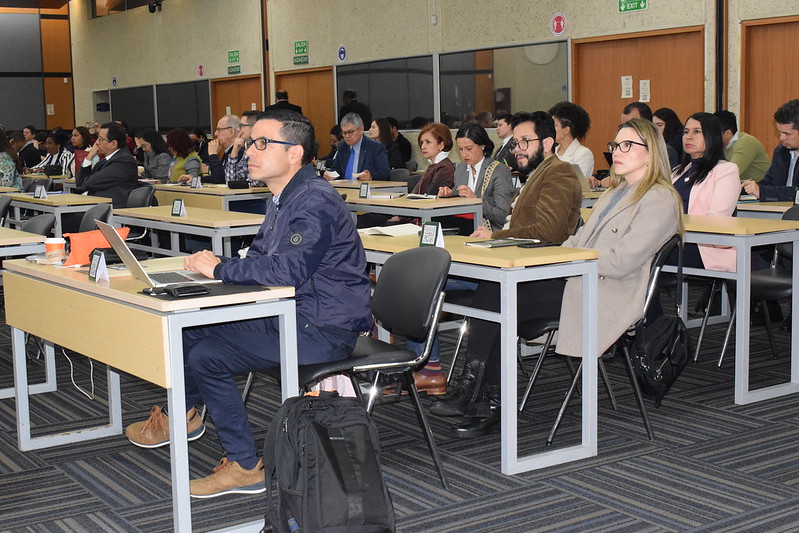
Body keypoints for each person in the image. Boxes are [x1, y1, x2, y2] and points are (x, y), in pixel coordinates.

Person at [125, 109, 372, 499]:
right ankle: (186, 418)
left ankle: (238, 461)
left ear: (294, 154)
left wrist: (221, 269)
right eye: (248, 142)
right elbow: (258, 256)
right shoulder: (283, 197)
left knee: (205, 352)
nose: (248, 151)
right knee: (191, 330)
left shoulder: (314, 200)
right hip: (291, 314)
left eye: (260, 143)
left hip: (321, 328)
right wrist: (212, 271)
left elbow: (289, 269)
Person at [430, 111, 583, 437]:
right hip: (528, 275)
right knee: (492, 291)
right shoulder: (536, 175)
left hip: (557, 282)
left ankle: (476, 394)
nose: (518, 149)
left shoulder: (561, 173)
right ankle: (482, 399)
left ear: (548, 143)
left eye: (525, 142)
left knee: (494, 294)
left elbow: (548, 230)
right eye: (516, 143)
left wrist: (494, 237)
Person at [555, 118, 683, 359]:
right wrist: (552, 257)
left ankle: (482, 383)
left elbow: (621, 262)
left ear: (650, 153)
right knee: (501, 292)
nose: (617, 152)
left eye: (628, 145)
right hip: (586, 278)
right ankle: (480, 382)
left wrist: (570, 261)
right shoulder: (614, 192)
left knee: (504, 297)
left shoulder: (660, 198)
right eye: (615, 145)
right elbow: (580, 238)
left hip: (611, 290)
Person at [670, 112, 740, 271]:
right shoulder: (677, 172)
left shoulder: (725, 171)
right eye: (686, 132)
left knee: (644, 261)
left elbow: (717, 219)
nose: (688, 137)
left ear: (712, 136)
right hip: (673, 240)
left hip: (702, 246)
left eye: (696, 132)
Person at [438, 122, 514, 233]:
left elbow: (503, 216)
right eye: (460, 149)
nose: (464, 154)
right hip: (462, 225)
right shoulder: (461, 169)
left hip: (488, 229)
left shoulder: (499, 171)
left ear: (482, 145)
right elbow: (459, 195)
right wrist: (449, 194)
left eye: (469, 149)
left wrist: (477, 201)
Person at [742, 99, 799, 201]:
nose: (781, 138)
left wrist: (763, 192)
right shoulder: (781, 151)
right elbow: (768, 183)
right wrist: (744, 188)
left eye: (787, 134)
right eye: (779, 132)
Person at [75, 122, 139, 207]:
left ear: (113, 144)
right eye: (98, 138)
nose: (97, 143)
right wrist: (89, 156)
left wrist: (85, 183)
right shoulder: (104, 161)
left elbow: (90, 183)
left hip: (111, 210)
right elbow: (80, 184)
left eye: (101, 139)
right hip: (97, 206)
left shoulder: (124, 161)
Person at [325, 113, 390, 181]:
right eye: (344, 133)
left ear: (361, 129)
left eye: (350, 132)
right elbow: (336, 169)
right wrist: (330, 175)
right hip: (345, 188)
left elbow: (385, 174)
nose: (347, 136)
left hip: (366, 189)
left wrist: (371, 176)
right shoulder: (342, 146)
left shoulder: (375, 147)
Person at [713, 110, 771, 183]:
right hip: (742, 189)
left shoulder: (746, 142)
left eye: (713, 133)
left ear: (727, 133)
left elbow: (730, 173)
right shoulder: (720, 146)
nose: (710, 137)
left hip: (759, 189)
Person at [549, 101, 595, 178]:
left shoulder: (583, 154)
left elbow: (576, 184)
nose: (550, 129)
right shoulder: (551, 151)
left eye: (554, 125)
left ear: (566, 130)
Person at [225, 110, 261, 184]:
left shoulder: (263, 148)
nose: (238, 129)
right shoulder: (246, 148)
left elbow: (255, 183)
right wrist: (234, 152)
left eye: (241, 126)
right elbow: (230, 181)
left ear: (254, 127)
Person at [206, 114, 241, 183]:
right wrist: (196, 179)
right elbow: (216, 176)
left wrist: (213, 155)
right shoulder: (228, 151)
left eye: (219, 129)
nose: (216, 134)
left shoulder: (239, 151)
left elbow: (220, 179)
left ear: (231, 131)